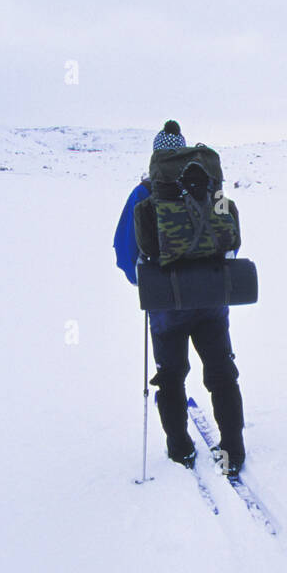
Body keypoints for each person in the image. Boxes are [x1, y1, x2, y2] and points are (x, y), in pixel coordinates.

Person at [113, 121, 246, 473]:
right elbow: (230, 239)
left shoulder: (144, 193)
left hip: (166, 305)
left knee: (170, 376)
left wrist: (148, 278)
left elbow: (124, 254)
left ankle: (180, 448)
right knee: (221, 373)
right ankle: (234, 446)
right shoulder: (210, 186)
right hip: (212, 299)